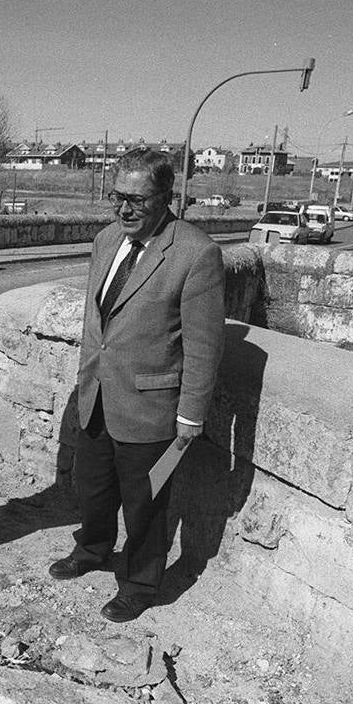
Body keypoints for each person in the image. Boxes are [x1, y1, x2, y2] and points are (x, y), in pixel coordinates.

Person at [49, 147, 225, 622]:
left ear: (166, 198)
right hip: (99, 393)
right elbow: (101, 324)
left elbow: (204, 345)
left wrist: (191, 415)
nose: (124, 209)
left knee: (145, 502)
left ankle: (140, 584)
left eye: (137, 200)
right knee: (93, 486)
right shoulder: (107, 239)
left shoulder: (196, 253)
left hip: (151, 405)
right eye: (117, 197)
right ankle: (91, 548)